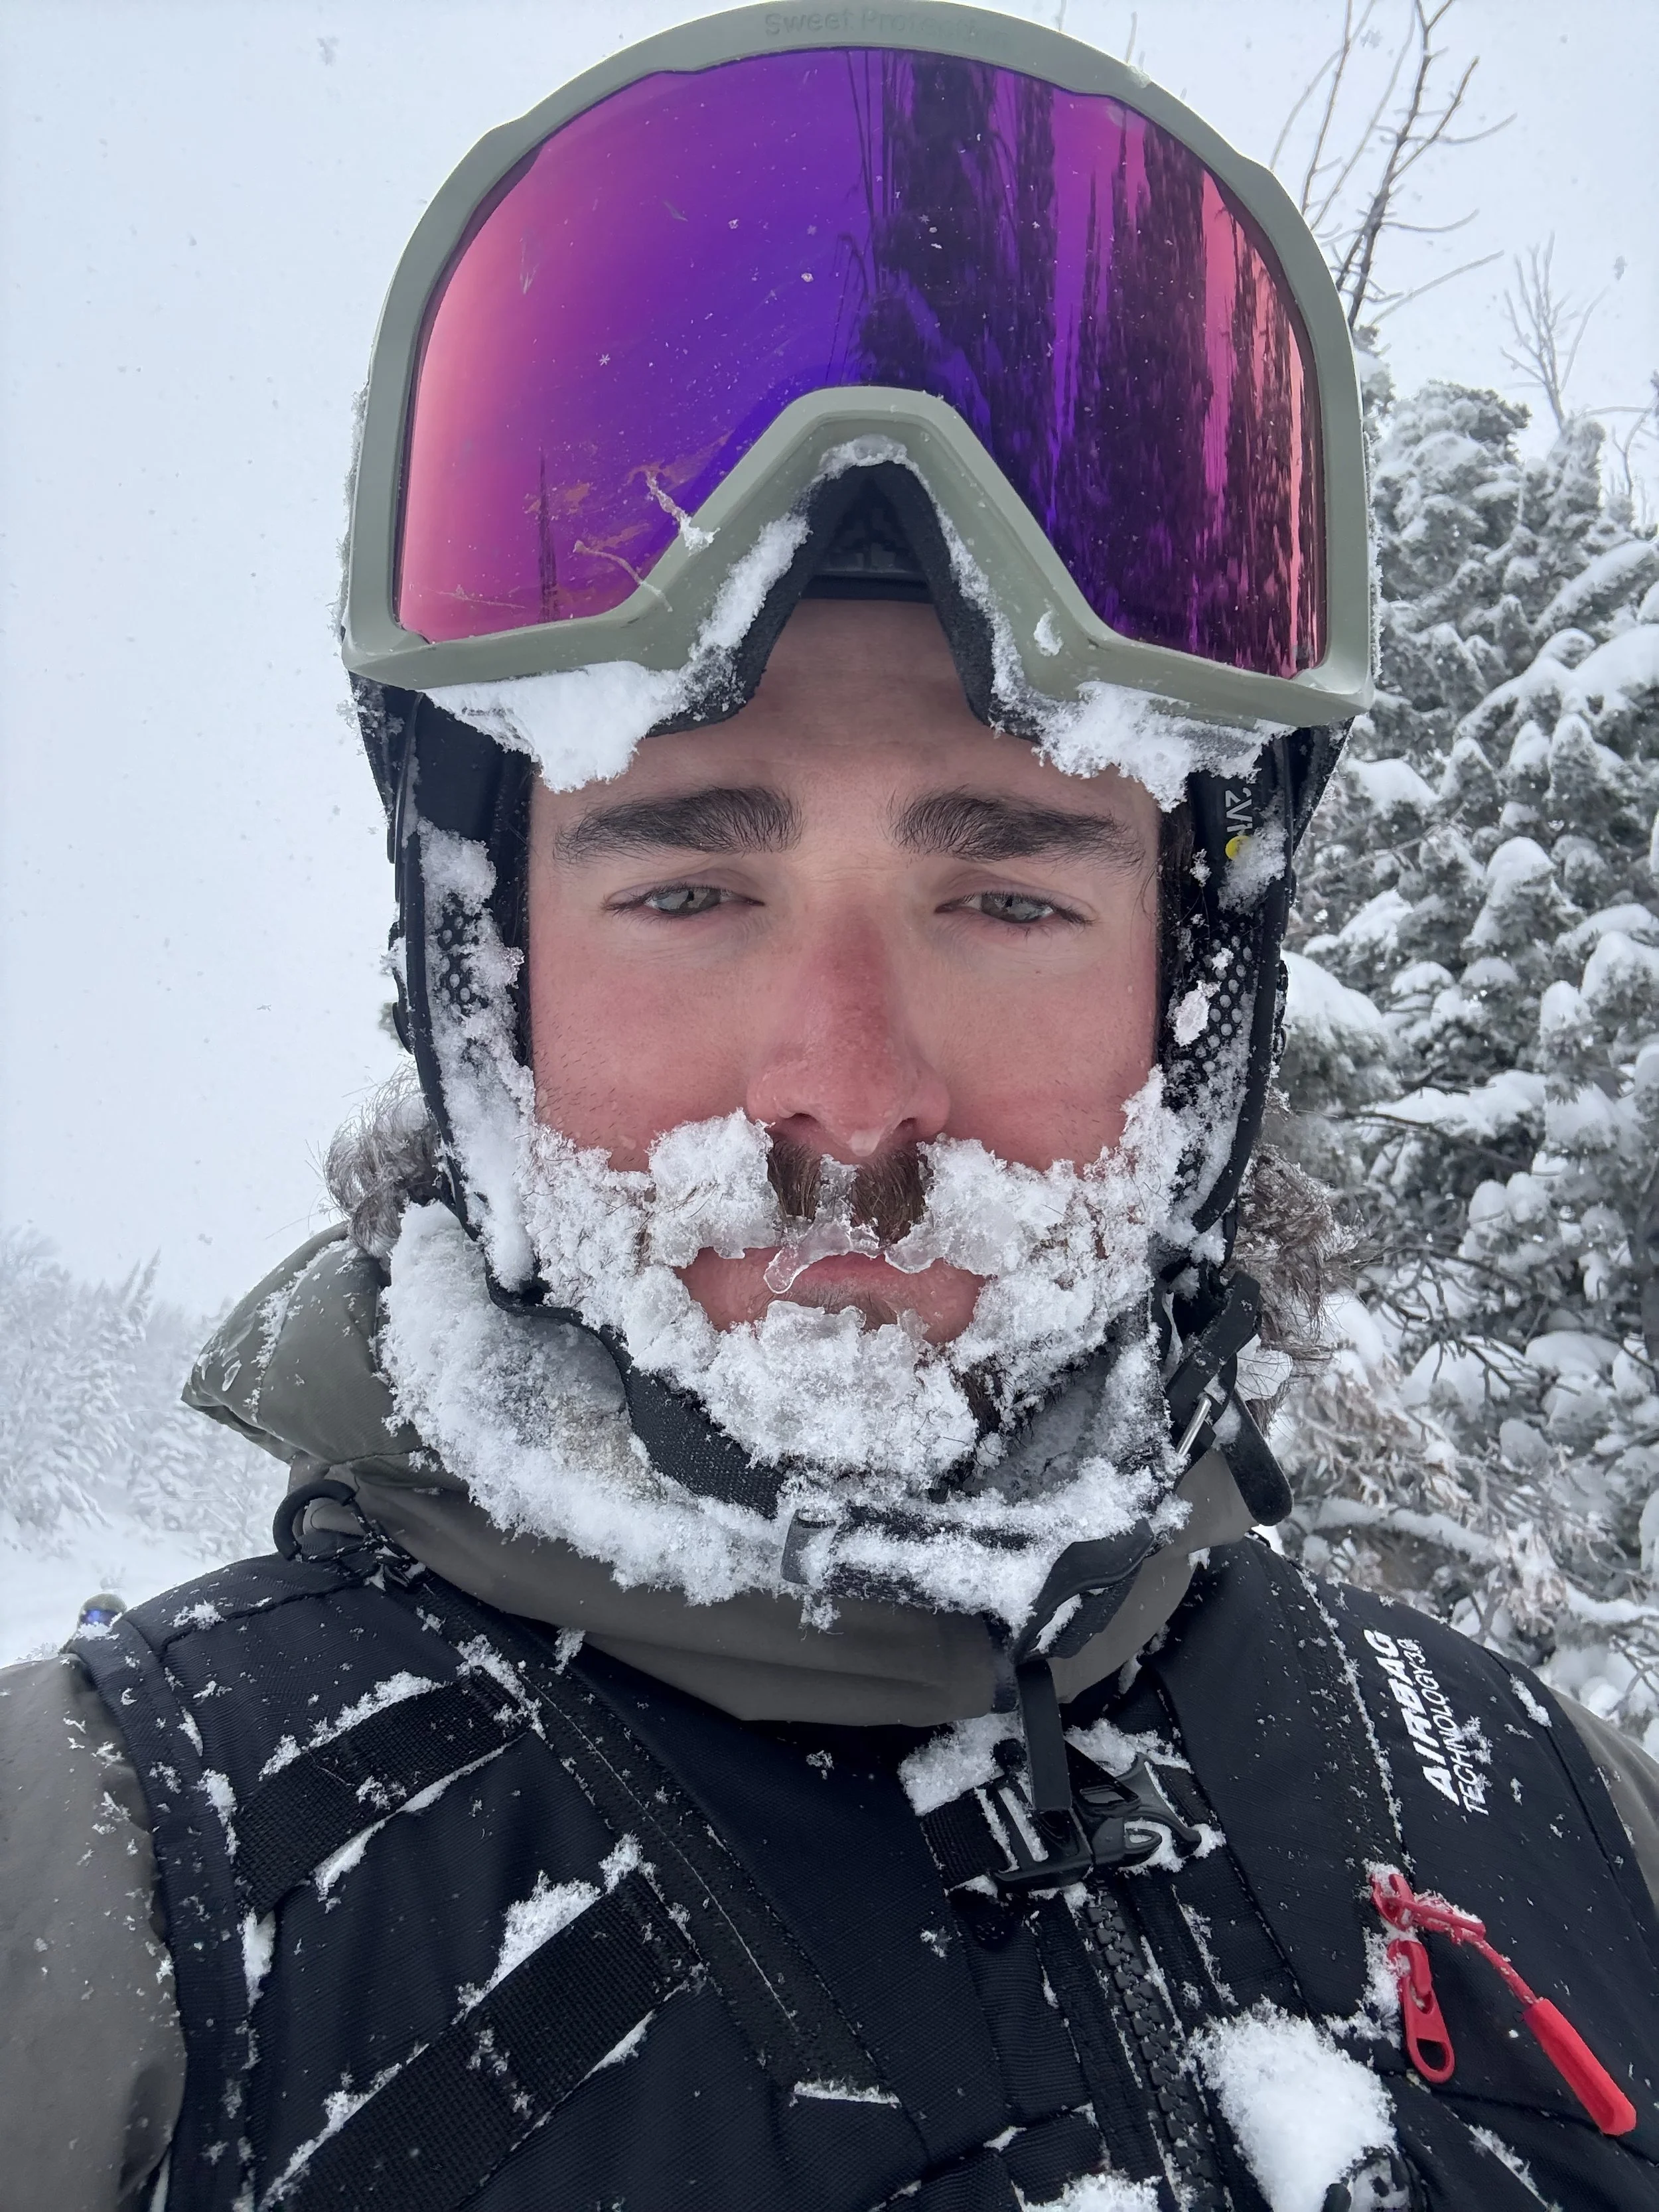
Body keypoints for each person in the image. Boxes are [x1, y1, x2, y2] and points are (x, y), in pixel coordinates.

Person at [3, 9, 1657, 2209]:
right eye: (688, 878)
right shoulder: (110, 1913)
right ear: (484, 975)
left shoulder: (1563, 1827)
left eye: (1004, 889)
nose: (844, 1093)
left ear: (1196, 988)